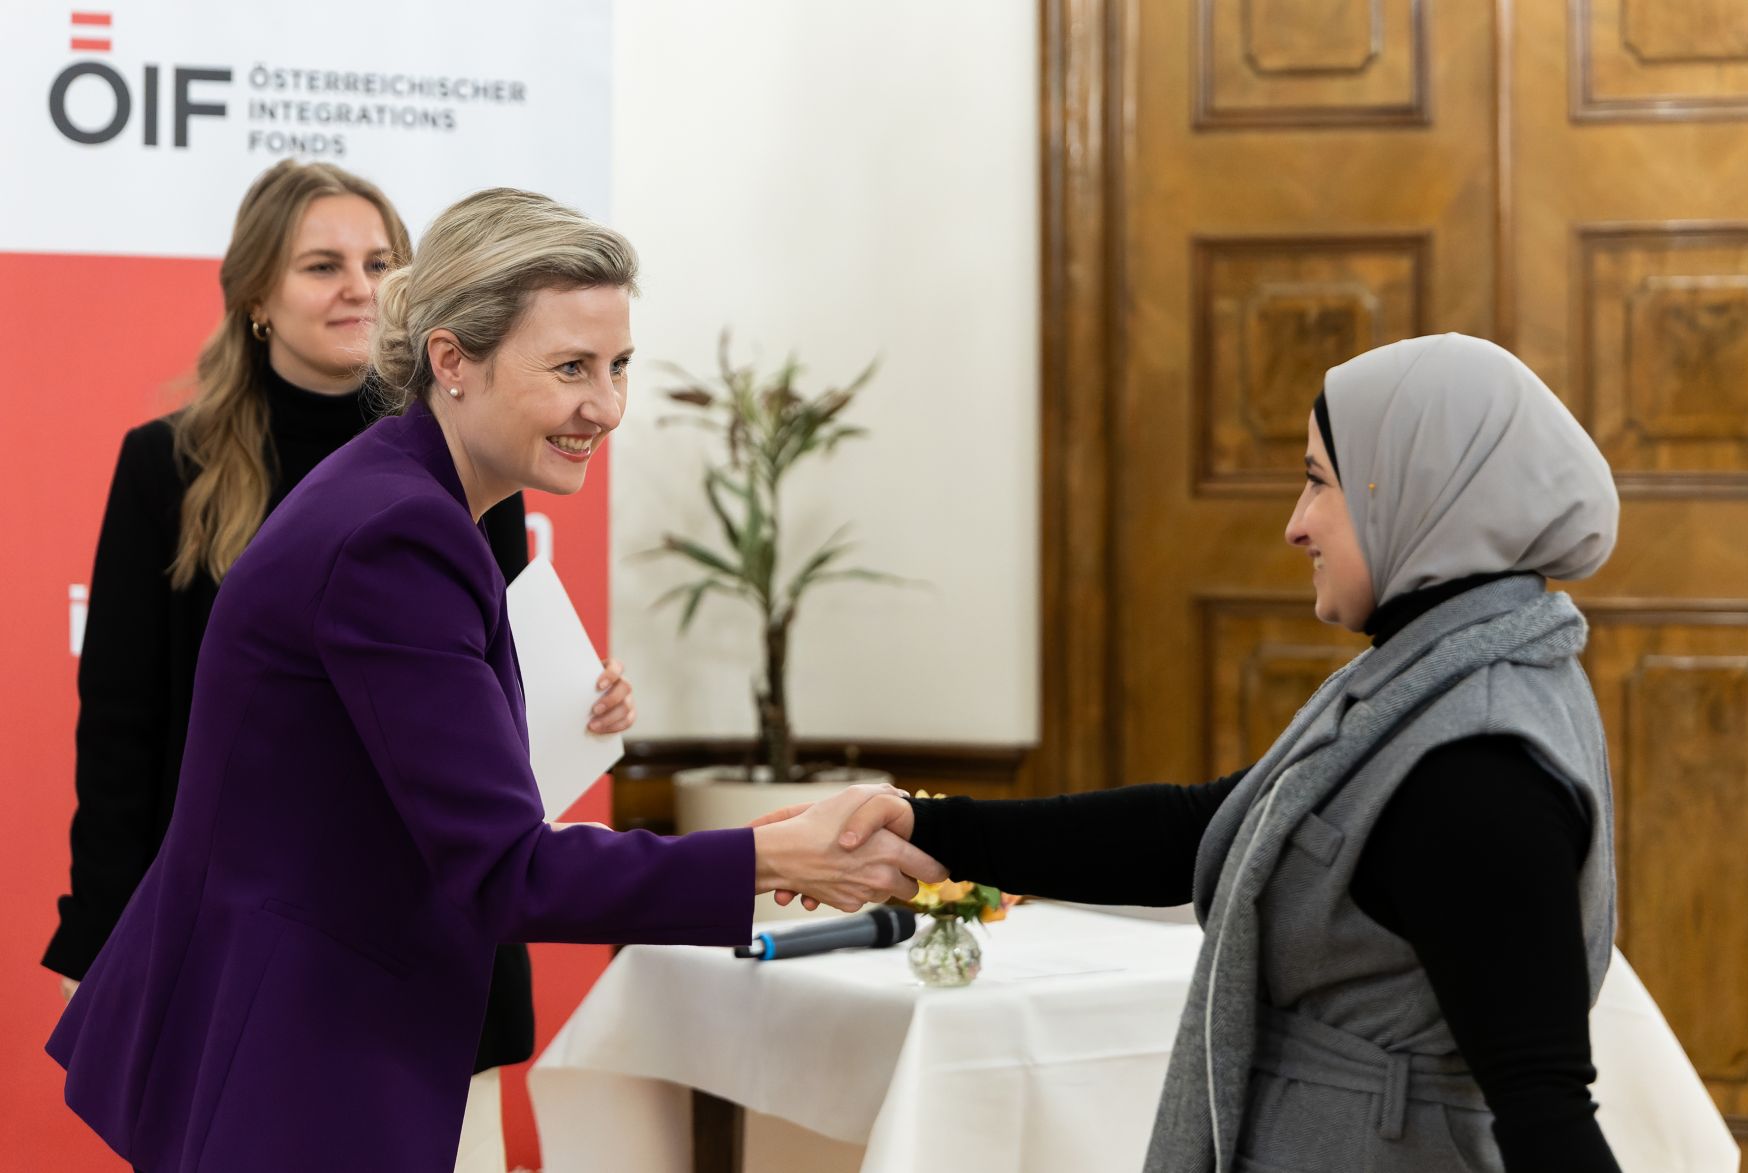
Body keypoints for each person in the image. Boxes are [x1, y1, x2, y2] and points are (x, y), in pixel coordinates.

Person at [46, 186, 944, 1172]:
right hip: (302, 1056)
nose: (603, 406)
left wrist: (759, 847)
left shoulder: (406, 493)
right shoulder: (401, 532)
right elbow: (503, 872)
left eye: (617, 367)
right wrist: (773, 861)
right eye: (569, 368)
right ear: (451, 361)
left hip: (298, 1028)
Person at [824, 334, 1625, 1171]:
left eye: (1319, 480)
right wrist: (927, 826)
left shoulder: (1476, 763)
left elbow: (1545, 1107)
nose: (1295, 524)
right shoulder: (1422, 690)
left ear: (1417, 490)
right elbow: (1205, 826)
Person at [39, 160, 633, 1167]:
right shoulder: (168, 463)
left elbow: (480, 687)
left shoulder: (466, 452)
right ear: (257, 294)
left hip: (446, 913)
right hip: (271, 948)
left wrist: (575, 698)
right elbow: (125, 726)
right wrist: (99, 931)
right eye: (323, 264)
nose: (359, 286)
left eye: (378, 261)